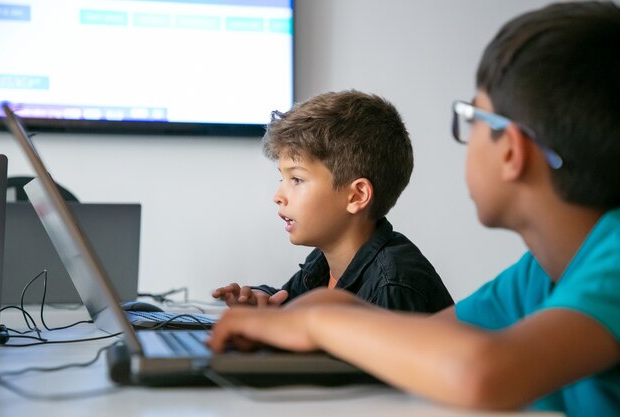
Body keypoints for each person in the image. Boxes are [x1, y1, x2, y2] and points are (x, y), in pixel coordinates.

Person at [207, 2, 620, 416]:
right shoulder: (539, 275)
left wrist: (313, 322)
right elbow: (433, 338)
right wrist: (296, 315)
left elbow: (482, 371)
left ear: (511, 149)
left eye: (472, 118)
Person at [212, 90, 453, 312]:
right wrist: (261, 301)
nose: (278, 196)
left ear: (357, 196)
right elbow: (290, 304)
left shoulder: (392, 285)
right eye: (281, 178)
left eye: (296, 179)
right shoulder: (324, 261)